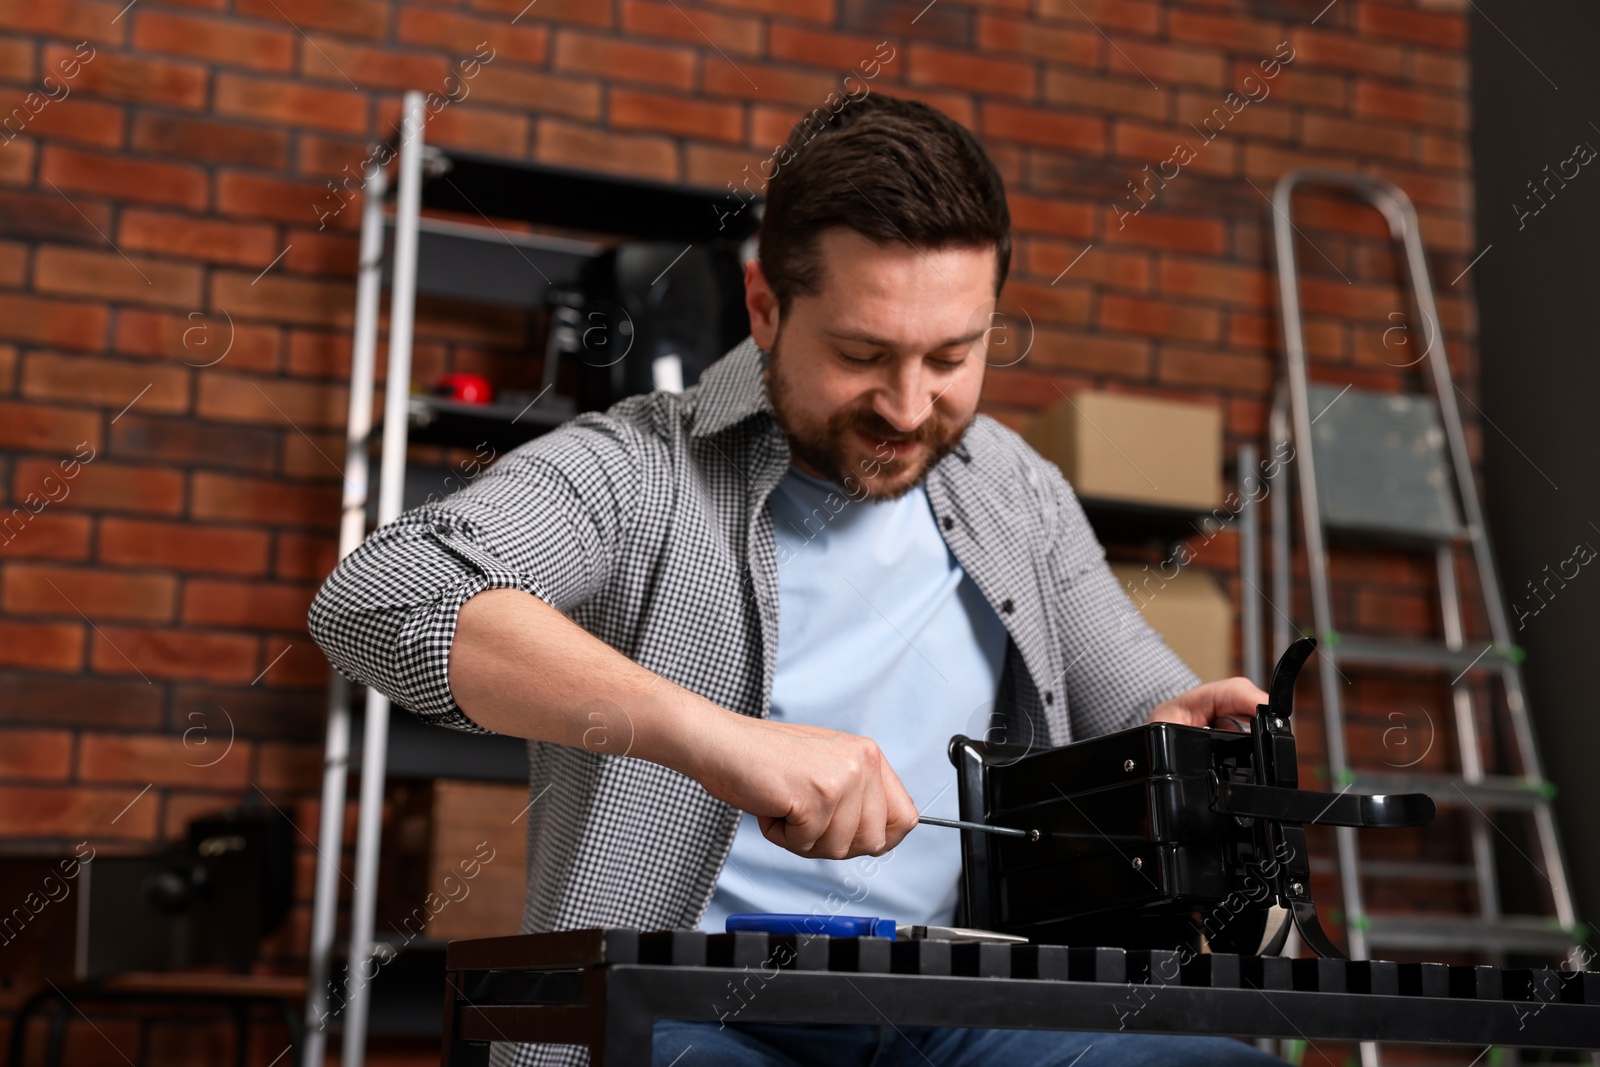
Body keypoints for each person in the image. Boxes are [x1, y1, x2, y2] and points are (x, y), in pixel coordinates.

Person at [309, 93, 1283, 1067]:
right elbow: (384, 592)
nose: (908, 407)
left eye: (951, 356)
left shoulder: (1016, 489)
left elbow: (1141, 705)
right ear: (765, 307)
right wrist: (725, 742)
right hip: (683, 1003)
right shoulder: (637, 465)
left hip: (954, 1001)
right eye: (862, 354)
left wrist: (1187, 728)